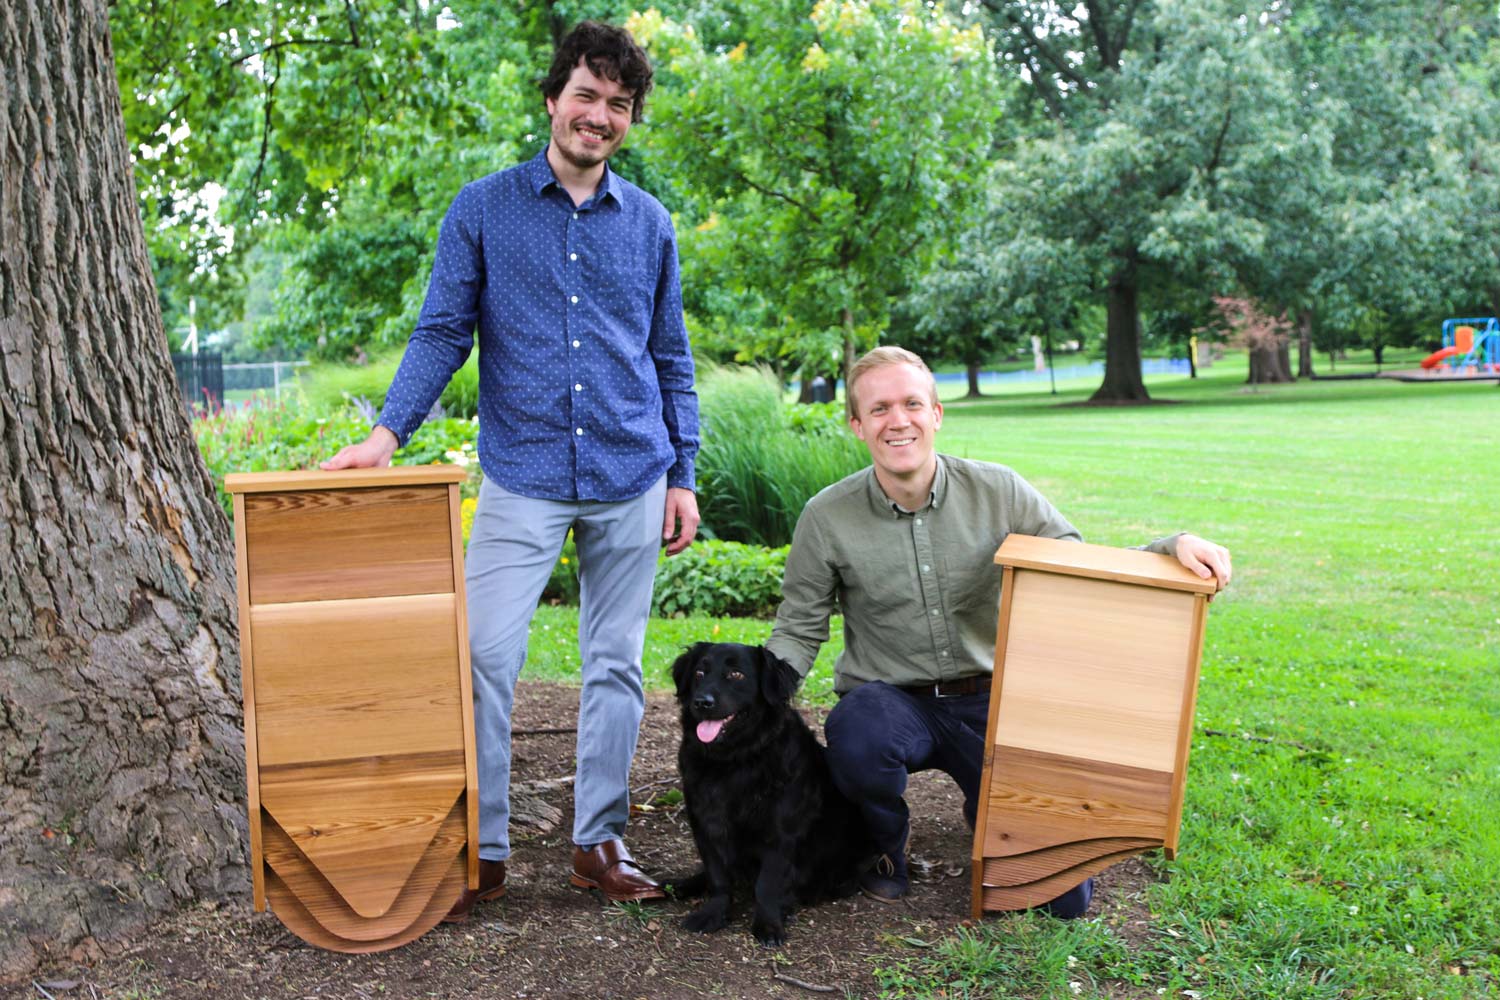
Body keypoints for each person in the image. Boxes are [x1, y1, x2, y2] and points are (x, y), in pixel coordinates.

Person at [322, 21, 699, 919]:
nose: (598, 116)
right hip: (522, 475)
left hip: (632, 472)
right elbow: (443, 331)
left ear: (629, 119)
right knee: (485, 654)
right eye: (586, 95)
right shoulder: (482, 208)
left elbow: (671, 355)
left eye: (618, 104)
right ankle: (481, 846)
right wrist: (386, 434)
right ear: (552, 99)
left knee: (615, 665)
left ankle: (597, 841)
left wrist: (683, 471)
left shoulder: (648, 222)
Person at [764, 346, 1231, 914]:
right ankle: (883, 844)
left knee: (1065, 902)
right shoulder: (826, 516)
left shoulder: (999, 490)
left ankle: (987, 807)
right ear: (857, 424)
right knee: (857, 738)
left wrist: (1169, 549)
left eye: (912, 403)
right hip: (889, 702)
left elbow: (1076, 565)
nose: (899, 420)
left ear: (936, 413)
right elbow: (799, 626)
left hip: (996, 702)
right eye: (880, 408)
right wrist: (753, 693)